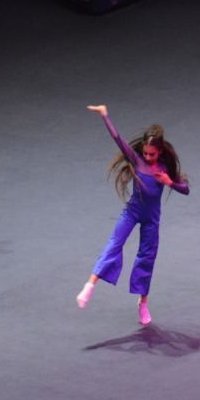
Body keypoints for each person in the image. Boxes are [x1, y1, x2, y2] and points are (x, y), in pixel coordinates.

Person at [76, 105, 189, 325]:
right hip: (132, 212)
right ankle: (89, 285)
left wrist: (170, 182)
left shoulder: (166, 167)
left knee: (146, 258)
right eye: (145, 153)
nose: (147, 157)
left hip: (152, 218)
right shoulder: (136, 160)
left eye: (151, 154)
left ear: (160, 152)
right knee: (114, 244)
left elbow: (186, 189)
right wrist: (105, 115)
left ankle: (143, 303)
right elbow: (117, 139)